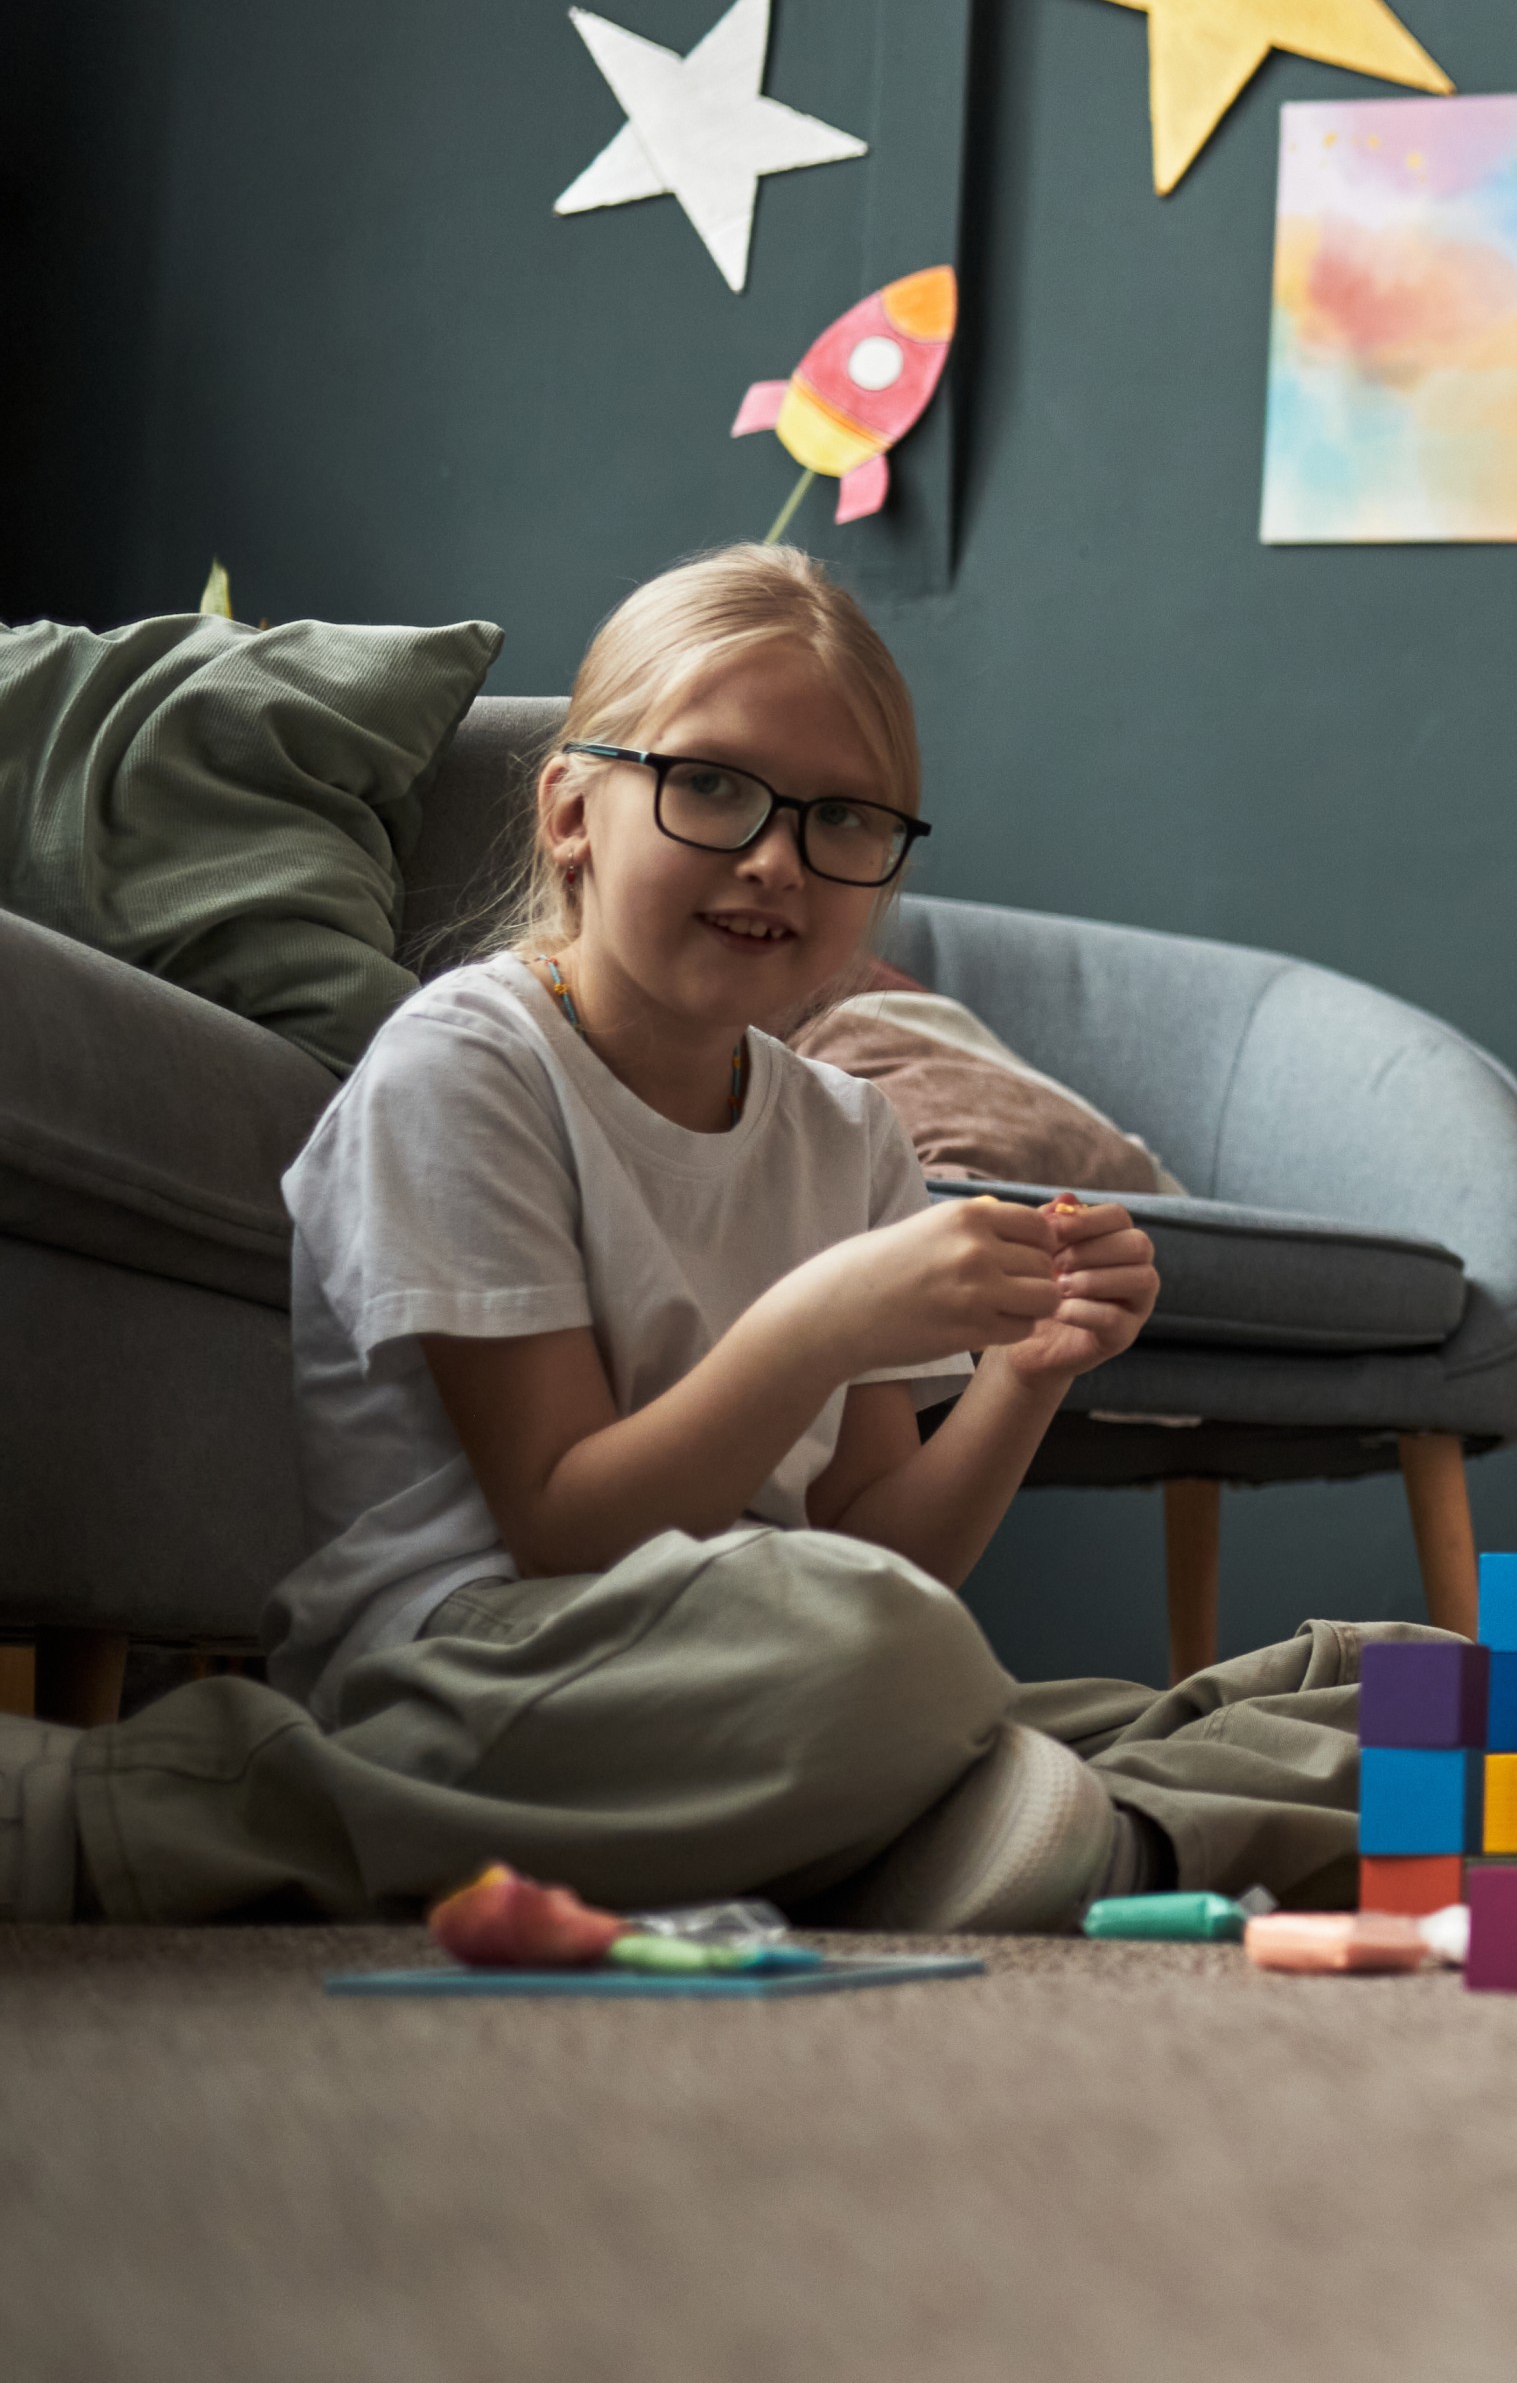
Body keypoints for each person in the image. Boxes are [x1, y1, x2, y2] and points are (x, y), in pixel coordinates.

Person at [1, 546, 1414, 1929]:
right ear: (570, 811)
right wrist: (825, 1322)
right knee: (883, 1659)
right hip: (489, 1665)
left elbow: (886, 1549)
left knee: (1403, 1690)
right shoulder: (466, 1066)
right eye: (712, 788)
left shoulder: (848, 1134)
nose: (776, 861)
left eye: (844, 820)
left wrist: (1026, 1377)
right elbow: (563, 1527)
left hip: (766, 1661)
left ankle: (1024, 1833)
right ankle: (160, 1807)